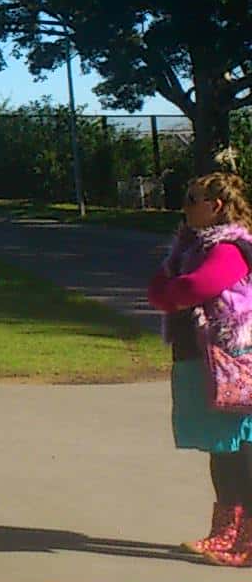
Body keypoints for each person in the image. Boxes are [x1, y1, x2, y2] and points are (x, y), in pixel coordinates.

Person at [148, 172, 252, 565]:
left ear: (216, 206)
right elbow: (159, 289)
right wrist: (168, 292)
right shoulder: (189, 249)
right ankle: (226, 532)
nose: (185, 205)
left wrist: (169, 293)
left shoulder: (227, 248)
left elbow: (190, 289)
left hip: (228, 362)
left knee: (238, 451)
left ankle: (247, 540)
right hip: (202, 359)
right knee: (221, 450)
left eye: (193, 197)